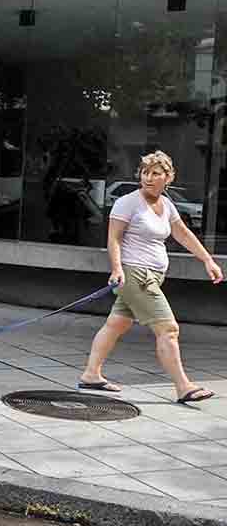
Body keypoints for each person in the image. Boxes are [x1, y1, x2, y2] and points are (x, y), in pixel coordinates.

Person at [78, 151, 223, 403]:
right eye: (145, 172)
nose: (148, 177)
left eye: (155, 173)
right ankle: (184, 387)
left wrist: (207, 260)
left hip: (152, 276)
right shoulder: (128, 202)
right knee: (168, 329)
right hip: (136, 275)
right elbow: (114, 239)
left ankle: (91, 374)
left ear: (168, 177)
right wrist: (117, 268)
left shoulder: (166, 204)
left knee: (117, 323)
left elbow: (183, 234)